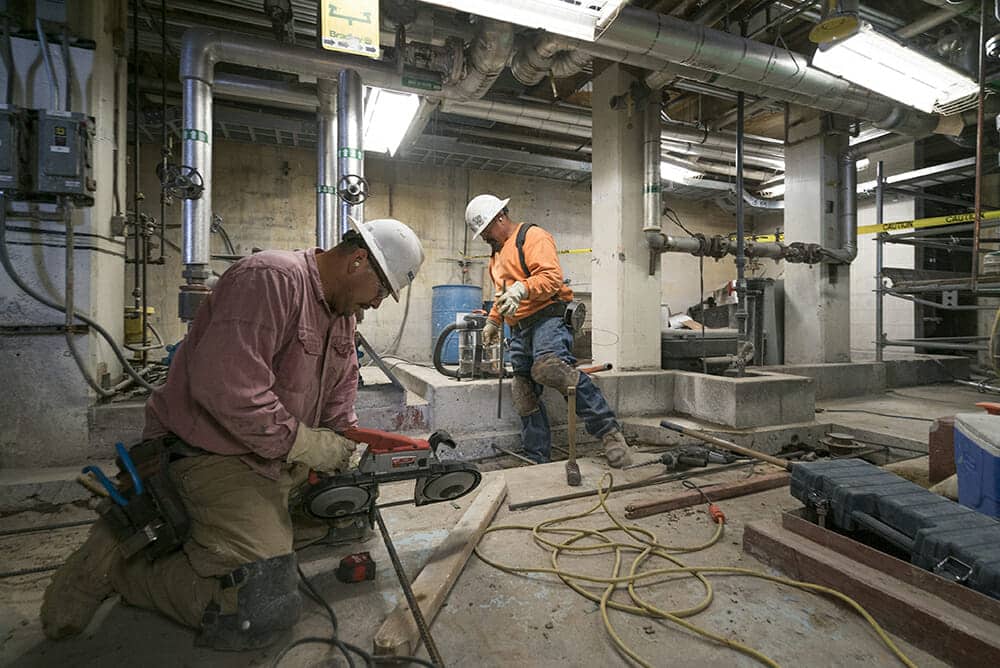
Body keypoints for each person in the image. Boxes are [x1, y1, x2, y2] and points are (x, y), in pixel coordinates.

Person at [40, 218, 425, 650]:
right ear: (358, 261)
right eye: (380, 291)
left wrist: (344, 446)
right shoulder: (270, 280)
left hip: (274, 457)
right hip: (211, 456)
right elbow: (226, 391)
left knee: (345, 516)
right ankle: (122, 565)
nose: (376, 304)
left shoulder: (342, 319)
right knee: (262, 608)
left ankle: (209, 537)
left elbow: (337, 409)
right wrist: (307, 445)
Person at [465, 194, 632, 468]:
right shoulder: (496, 255)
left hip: (547, 317)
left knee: (549, 368)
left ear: (500, 217)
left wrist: (524, 288)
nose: (484, 237)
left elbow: (551, 278)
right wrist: (494, 320)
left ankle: (610, 433)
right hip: (519, 327)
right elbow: (501, 294)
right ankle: (536, 455)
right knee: (522, 389)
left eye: (485, 231)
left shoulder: (532, 237)